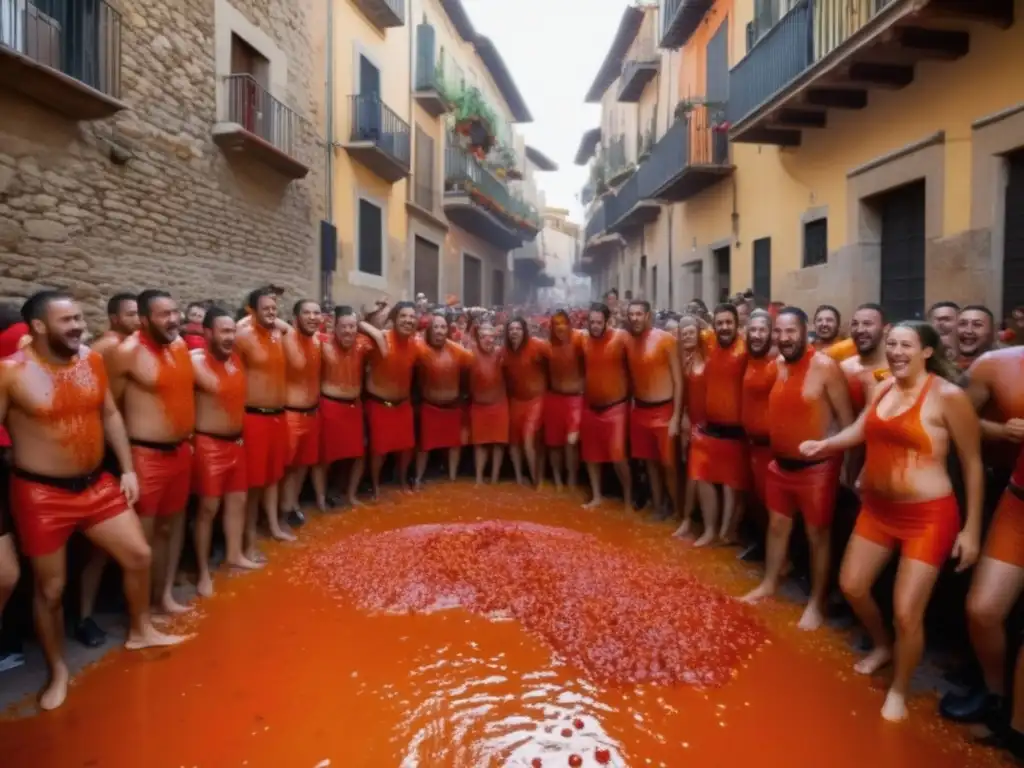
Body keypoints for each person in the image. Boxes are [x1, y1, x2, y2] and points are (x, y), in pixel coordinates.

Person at [1, 290, 184, 710]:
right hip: (41, 493)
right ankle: (58, 669)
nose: (78, 326)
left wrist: (128, 469)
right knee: (50, 589)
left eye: (80, 318)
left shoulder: (92, 360)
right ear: (39, 326)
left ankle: (140, 630)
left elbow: (110, 415)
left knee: (138, 555)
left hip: (97, 485)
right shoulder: (10, 373)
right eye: (67, 320)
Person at [800, 321, 982, 721]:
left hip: (928, 516)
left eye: (906, 346)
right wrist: (826, 444)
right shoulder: (883, 387)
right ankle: (883, 646)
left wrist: (971, 530)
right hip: (878, 511)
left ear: (928, 352)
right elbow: (862, 429)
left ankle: (899, 688)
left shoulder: (949, 396)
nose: (897, 352)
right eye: (893, 345)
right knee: (852, 585)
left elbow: (971, 464)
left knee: (906, 612)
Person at [741, 307, 854, 631]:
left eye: (791, 331)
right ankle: (769, 583)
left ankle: (817, 602)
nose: (784, 337)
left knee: (817, 536)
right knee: (777, 527)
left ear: (806, 332)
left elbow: (847, 423)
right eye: (780, 331)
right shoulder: (776, 364)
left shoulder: (825, 367)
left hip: (817, 469)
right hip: (780, 464)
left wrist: (845, 465)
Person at [940, 342, 1024, 726]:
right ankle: (995, 694)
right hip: (1018, 501)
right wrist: (1001, 431)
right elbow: (960, 416)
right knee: (983, 608)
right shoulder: (1000, 363)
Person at [109, 289, 195, 615]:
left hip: (180, 452)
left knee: (170, 529)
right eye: (164, 314)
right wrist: (123, 463)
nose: (174, 319)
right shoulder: (126, 352)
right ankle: (139, 612)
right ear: (144, 320)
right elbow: (111, 409)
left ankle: (164, 595)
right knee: (143, 539)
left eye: (175, 312)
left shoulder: (181, 346)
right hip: (145, 456)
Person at [74, 291, 140, 648]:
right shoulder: (105, 349)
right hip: (102, 454)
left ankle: (112, 599)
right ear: (115, 317)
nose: (138, 320)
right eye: (132, 314)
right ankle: (84, 614)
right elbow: (101, 408)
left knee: (127, 535)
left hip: (122, 448)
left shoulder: (130, 347)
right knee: (98, 545)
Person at [190, 307, 259, 598]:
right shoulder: (192, 362)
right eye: (224, 331)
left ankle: (234, 554)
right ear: (207, 333)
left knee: (238, 501)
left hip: (236, 442)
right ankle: (202, 571)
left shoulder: (237, 361)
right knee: (207, 509)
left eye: (233, 331)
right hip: (208, 443)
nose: (231, 337)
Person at [235, 287, 294, 555]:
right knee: (255, 482)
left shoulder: (277, 333)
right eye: (266, 309)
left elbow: (291, 331)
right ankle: (248, 540)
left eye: (275, 308)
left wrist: (273, 318)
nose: (272, 313)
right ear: (251, 311)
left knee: (274, 477)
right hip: (254, 417)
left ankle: (273, 524)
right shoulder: (242, 335)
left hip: (278, 416)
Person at [313, 306, 385, 508]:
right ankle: (320, 498)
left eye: (352, 326)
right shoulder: (322, 342)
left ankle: (351, 496)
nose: (348, 331)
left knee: (358, 454)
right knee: (325, 457)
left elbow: (381, 341)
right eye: (343, 326)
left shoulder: (362, 344)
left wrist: (362, 322)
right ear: (334, 327)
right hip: (330, 406)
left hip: (353, 407)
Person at [688, 303, 748, 544]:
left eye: (728, 323)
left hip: (736, 430)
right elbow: (684, 332)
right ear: (714, 325)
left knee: (731, 486)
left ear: (737, 325)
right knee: (702, 476)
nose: (724, 327)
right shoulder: (709, 341)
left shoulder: (745, 348)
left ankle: (726, 532)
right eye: (720, 323)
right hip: (709, 426)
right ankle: (710, 530)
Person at [623, 300, 682, 519]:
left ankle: (677, 509)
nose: (635, 318)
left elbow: (679, 381)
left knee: (669, 465)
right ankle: (658, 506)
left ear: (648, 315)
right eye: (632, 314)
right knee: (650, 464)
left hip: (664, 410)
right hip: (640, 411)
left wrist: (676, 416)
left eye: (639, 314)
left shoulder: (666, 339)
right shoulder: (627, 342)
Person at [365, 301, 423, 496]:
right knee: (379, 451)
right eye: (404, 316)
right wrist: (372, 329)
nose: (408, 320)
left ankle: (403, 481)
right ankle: (375, 486)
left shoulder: (416, 345)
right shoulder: (380, 338)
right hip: (380, 404)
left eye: (412, 317)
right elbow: (356, 323)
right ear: (395, 319)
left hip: (403, 405)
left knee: (407, 448)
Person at [578, 304, 631, 510]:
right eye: (592, 322)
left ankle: (627, 500)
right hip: (591, 406)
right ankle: (597, 495)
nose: (595, 326)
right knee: (591, 456)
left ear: (608, 321)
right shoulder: (583, 340)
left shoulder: (621, 338)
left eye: (599, 322)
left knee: (618, 456)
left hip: (616, 406)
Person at [414, 313, 472, 487]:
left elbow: (472, 369)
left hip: (452, 406)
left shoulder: (458, 351)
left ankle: (453, 477)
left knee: (454, 444)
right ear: (429, 331)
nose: (439, 331)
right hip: (429, 406)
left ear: (448, 330)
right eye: (435, 327)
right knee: (424, 446)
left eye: (442, 327)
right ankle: (417, 478)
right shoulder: (420, 349)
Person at [279, 299, 323, 527]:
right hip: (291, 414)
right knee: (286, 467)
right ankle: (279, 510)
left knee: (304, 464)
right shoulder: (284, 339)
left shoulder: (317, 341)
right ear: (296, 317)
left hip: (312, 414)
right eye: (307, 313)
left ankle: (292, 504)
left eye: (317, 313)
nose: (313, 317)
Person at [740, 310, 778, 535]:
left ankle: (783, 558)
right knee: (755, 498)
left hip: (770, 447)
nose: (756, 334)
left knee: (772, 503)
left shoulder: (777, 362)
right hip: (749, 443)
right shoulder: (747, 358)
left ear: (771, 333)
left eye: (761, 330)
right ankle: (761, 543)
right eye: (752, 330)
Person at [503, 316, 550, 487]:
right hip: (516, 401)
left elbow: (554, 358)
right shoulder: (505, 352)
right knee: (514, 440)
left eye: (518, 329)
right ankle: (518, 477)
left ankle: (536, 481)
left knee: (529, 439)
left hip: (535, 400)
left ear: (524, 331)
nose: (514, 332)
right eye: (511, 329)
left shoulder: (537, 345)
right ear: (507, 333)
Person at [674, 315, 709, 538]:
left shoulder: (707, 356)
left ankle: (691, 521)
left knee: (697, 473)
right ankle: (690, 518)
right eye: (683, 333)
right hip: (689, 419)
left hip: (706, 422)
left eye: (691, 333)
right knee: (688, 469)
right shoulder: (679, 356)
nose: (687, 336)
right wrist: (683, 416)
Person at [545, 309, 585, 491]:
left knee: (571, 442)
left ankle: (572, 478)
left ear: (570, 324)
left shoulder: (580, 340)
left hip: (575, 399)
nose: (560, 327)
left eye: (563, 323)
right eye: (556, 324)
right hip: (554, 398)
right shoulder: (547, 346)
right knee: (554, 444)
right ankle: (558, 479)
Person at [468, 323, 508, 485]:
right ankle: (479, 478)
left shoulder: (501, 354)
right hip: (479, 406)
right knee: (480, 444)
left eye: (491, 336)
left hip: (499, 404)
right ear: (478, 339)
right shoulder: (471, 354)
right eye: (484, 336)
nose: (488, 340)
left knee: (498, 443)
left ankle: (494, 478)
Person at [956, 305, 997, 372]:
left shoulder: (1004, 368)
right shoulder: (942, 368)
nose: (968, 331)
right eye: (962, 324)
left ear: (992, 332)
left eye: (977, 325)